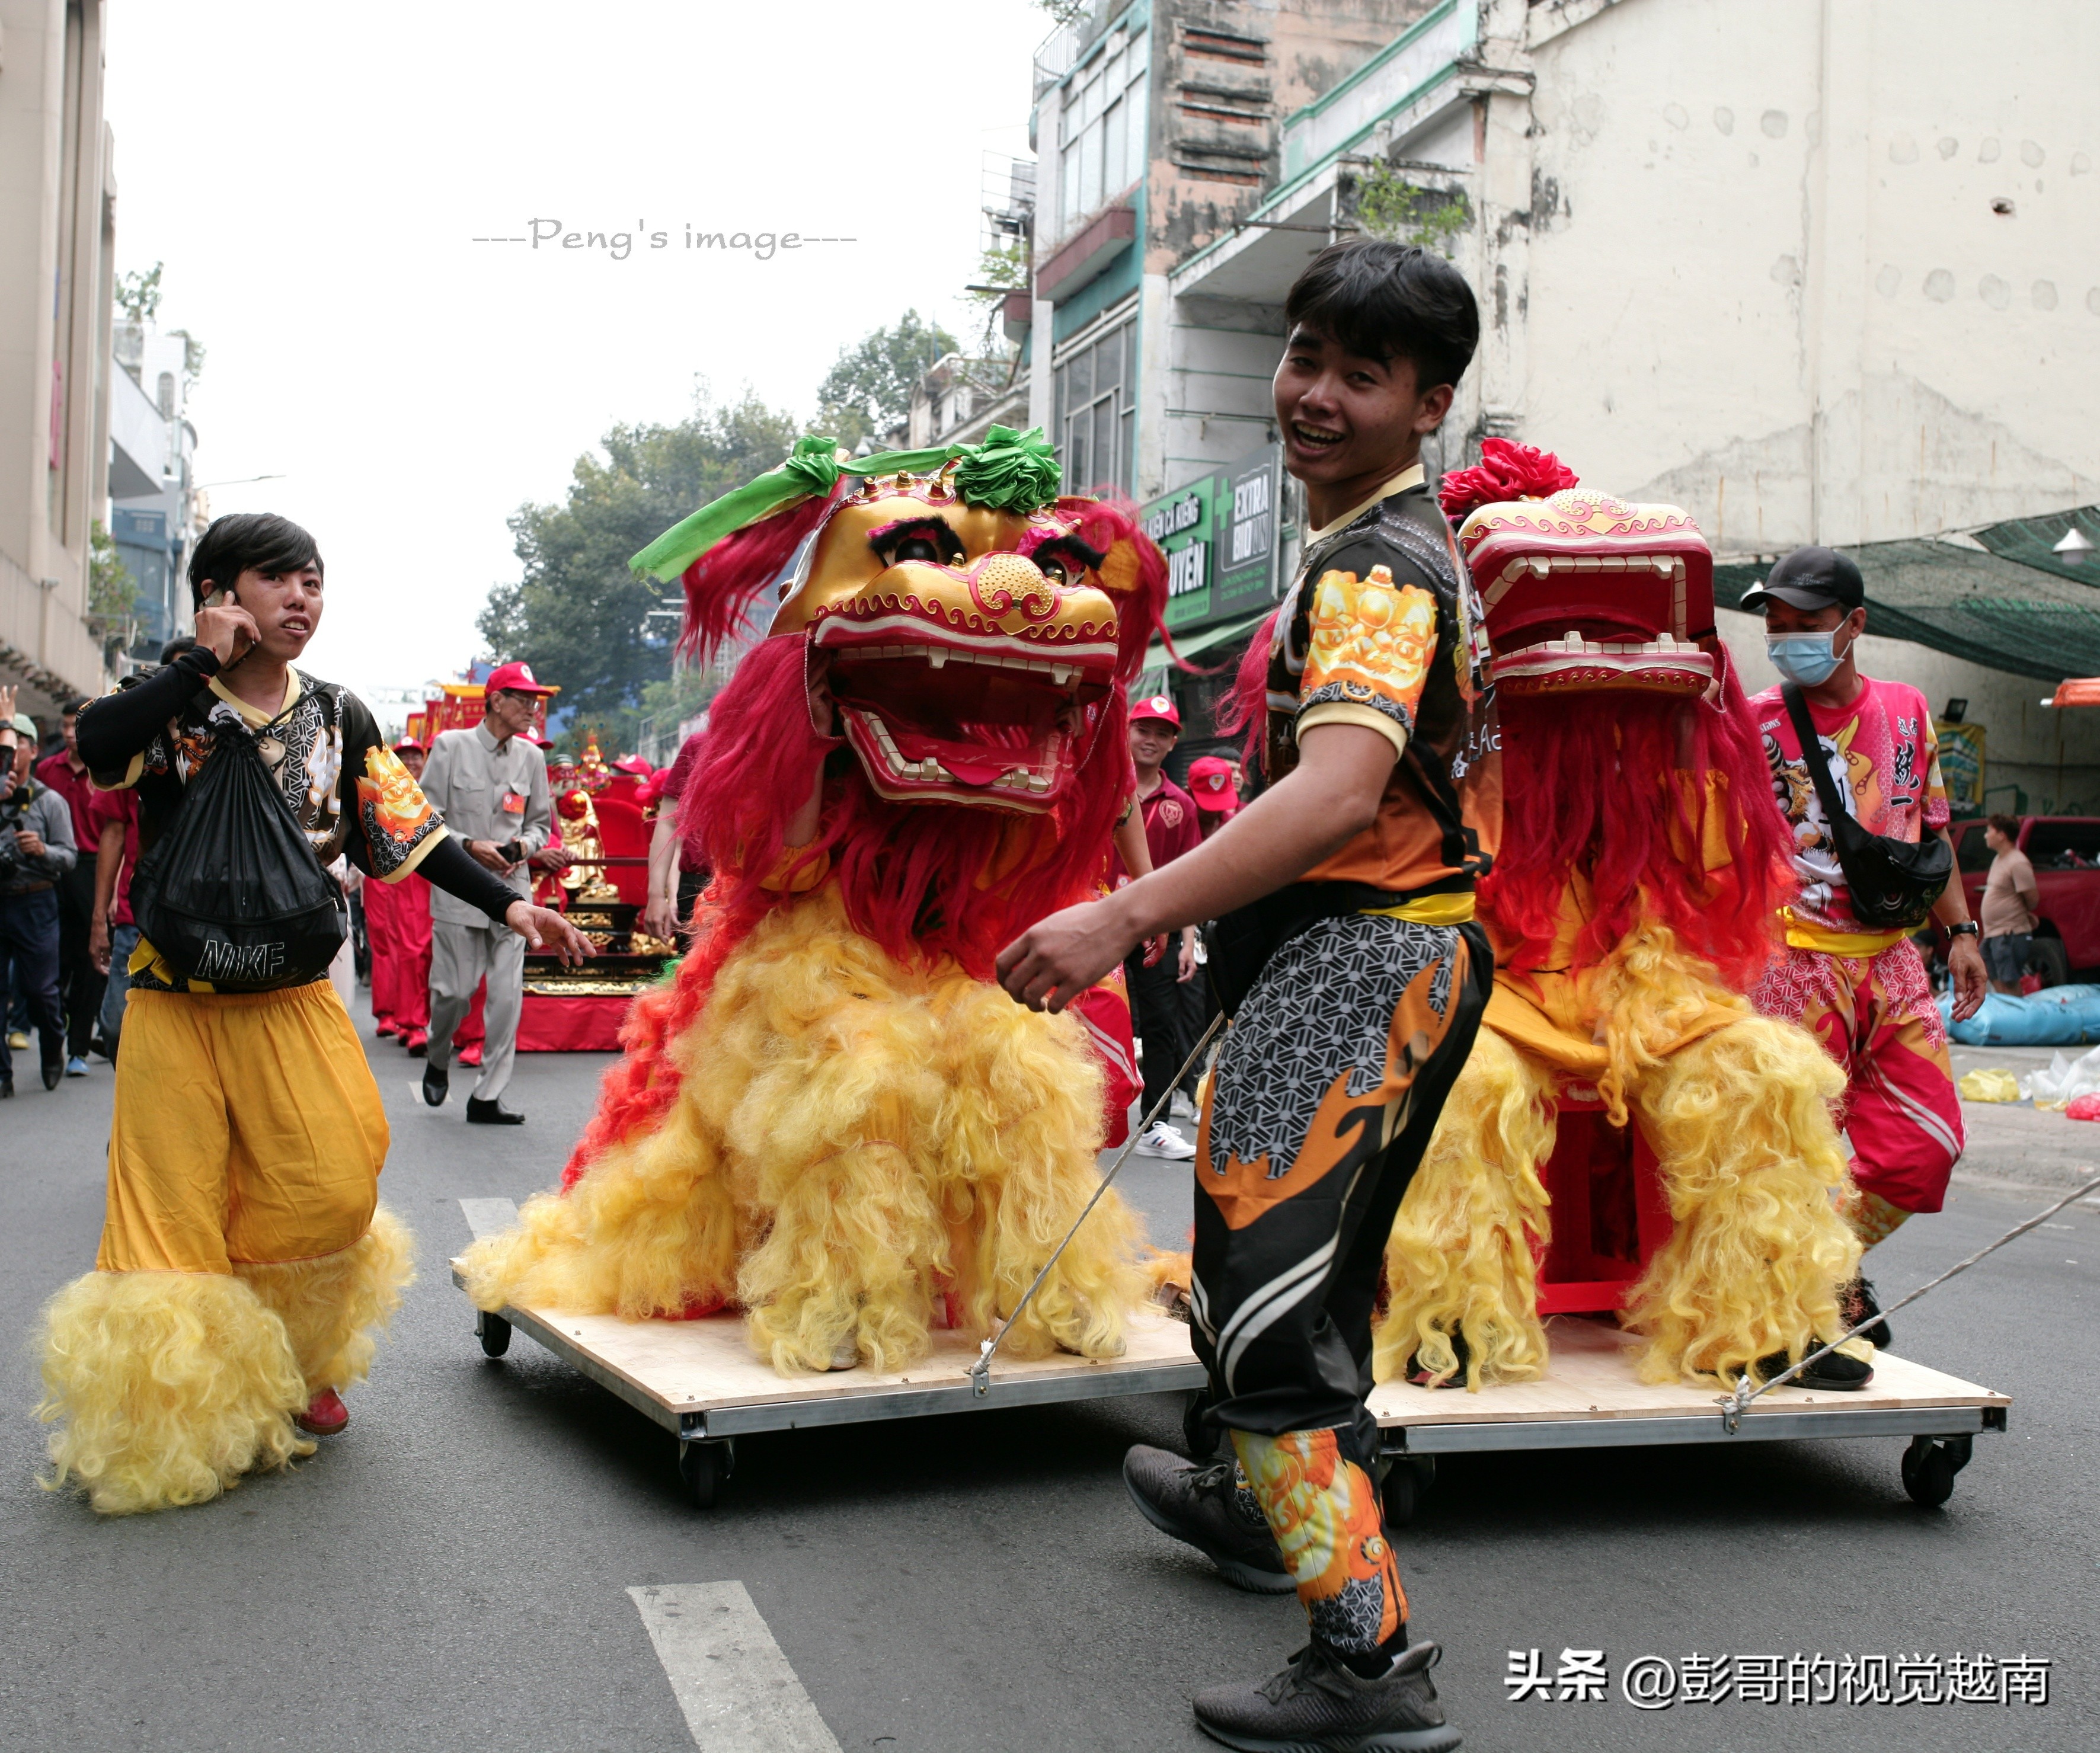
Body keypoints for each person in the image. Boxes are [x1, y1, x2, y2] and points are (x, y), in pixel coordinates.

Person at [999, 239, 1495, 1751]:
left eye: (1361, 374)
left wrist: (1123, 912)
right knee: (1313, 1281)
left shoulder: (1373, 563)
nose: (1315, 396)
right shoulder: (1398, 546)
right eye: (1302, 358)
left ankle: (1366, 1661)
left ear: (1431, 405)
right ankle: (1246, 1499)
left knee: (1270, 1315)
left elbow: (1340, 790)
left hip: (1363, 963)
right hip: (1402, 952)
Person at [36, 513, 592, 1515]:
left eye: (315, 582)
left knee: (330, 1185)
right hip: (175, 999)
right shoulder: (166, 703)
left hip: (294, 997)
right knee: (171, 1222)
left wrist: (513, 904)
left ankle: (292, 1358)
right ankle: (178, 1423)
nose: (302, 598)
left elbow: (409, 839)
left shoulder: (342, 716)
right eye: (277, 579)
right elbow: (91, 748)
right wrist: (189, 666)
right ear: (218, 591)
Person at [1744, 543, 1986, 1345]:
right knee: (1794, 1161)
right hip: (1787, 966)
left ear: (1853, 624)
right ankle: (1795, 1310)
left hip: (1888, 962)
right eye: (1775, 626)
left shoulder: (1906, 709)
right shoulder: (1751, 723)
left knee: (1926, 1147)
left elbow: (1929, 834)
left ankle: (1825, 1268)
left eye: (1805, 624)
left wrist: (1960, 932)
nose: (1786, 639)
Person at [417, 660, 557, 1123]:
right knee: (453, 995)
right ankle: (438, 1058)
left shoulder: (533, 758)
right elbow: (425, 817)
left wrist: (526, 845)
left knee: (505, 996)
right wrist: (468, 845)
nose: (533, 709)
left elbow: (541, 824)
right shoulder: (449, 746)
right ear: (496, 701)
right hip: (459, 890)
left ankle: (486, 1096)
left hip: (515, 893)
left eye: (536, 701)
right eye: (524, 699)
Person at [1119, 695, 1203, 1157]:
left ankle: (1154, 1124)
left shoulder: (1182, 806)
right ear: (1127, 732)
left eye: (1161, 733)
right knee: (1083, 1017)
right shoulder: (1102, 789)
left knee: (1162, 1026)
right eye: (1142, 730)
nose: (1150, 740)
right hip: (1101, 916)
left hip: (1158, 926)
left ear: (1173, 743)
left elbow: (1188, 876)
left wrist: (1189, 942)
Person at [0, 696, 77, 1095]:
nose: (9, 755)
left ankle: (53, 1051)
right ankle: (2, 1074)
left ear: (32, 749)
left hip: (36, 902)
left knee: (40, 991)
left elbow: (69, 857)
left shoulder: (49, 802)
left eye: (15, 746)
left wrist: (41, 850)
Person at [34, 698, 101, 1076]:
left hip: (92, 871)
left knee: (91, 963)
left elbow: (116, 834)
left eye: (75, 726)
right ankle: (52, 1037)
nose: (68, 735)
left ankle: (77, 1049)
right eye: (63, 728)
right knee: (52, 961)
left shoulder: (108, 769)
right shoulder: (46, 770)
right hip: (52, 871)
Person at [643, 725, 712, 941]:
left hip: (763, 884)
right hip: (699, 884)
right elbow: (668, 823)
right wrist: (656, 896)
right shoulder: (699, 746)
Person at [1979, 813, 2040, 994]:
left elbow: (2032, 899)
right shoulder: (1998, 859)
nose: (1985, 835)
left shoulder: (2018, 862)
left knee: (2010, 981)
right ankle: (2006, 1007)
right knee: (1988, 970)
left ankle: (2016, 1015)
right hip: (1994, 932)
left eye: (1989, 831)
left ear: (2002, 835)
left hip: (2009, 933)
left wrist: (2020, 913)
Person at [1185, 754, 1241, 839]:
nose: (1216, 811)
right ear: (1188, 793)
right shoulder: (1178, 826)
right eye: (1208, 805)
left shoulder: (1236, 825)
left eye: (1221, 802)